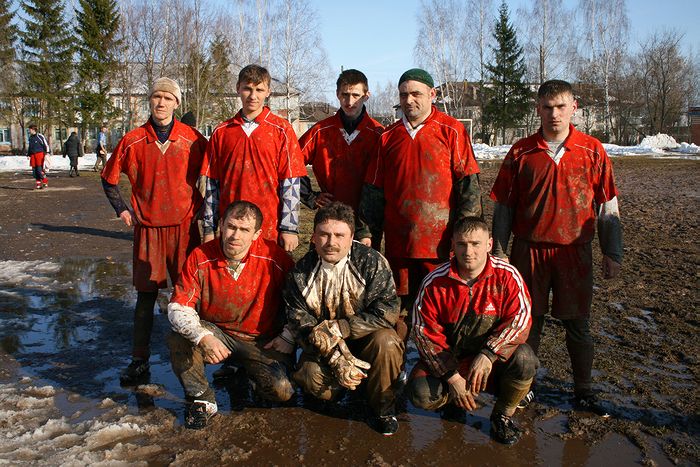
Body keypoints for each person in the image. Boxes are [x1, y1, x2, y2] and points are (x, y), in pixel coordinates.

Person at [490, 79, 623, 415]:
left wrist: (612, 251)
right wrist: (499, 251)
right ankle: (524, 385)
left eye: (561, 106)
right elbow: (504, 205)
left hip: (574, 252)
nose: (554, 114)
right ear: (538, 109)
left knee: (578, 323)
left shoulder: (592, 150)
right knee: (527, 321)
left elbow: (608, 205)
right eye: (547, 107)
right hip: (528, 251)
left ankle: (583, 389)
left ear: (573, 107)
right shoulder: (521, 151)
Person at [359, 68, 482, 340]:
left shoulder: (452, 130)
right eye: (404, 94)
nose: (409, 100)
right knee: (397, 310)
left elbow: (468, 188)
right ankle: (398, 366)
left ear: (432, 94)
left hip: (439, 243)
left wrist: (465, 235)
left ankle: (440, 369)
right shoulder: (387, 137)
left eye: (416, 93)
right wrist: (367, 234)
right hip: (399, 242)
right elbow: (373, 193)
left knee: (441, 307)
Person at [101, 77, 208, 385]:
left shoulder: (193, 139)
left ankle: (193, 363)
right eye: (156, 97)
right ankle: (139, 360)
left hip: (185, 230)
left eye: (167, 98)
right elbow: (108, 179)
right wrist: (122, 208)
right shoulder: (133, 140)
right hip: (148, 231)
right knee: (146, 297)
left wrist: (204, 210)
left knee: (188, 298)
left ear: (177, 103)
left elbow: (213, 176)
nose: (161, 102)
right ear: (150, 101)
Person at [167, 201, 295, 429]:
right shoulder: (200, 256)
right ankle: (202, 399)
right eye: (231, 227)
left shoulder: (275, 258)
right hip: (219, 335)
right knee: (180, 337)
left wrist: (287, 335)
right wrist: (202, 337)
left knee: (282, 391)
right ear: (221, 226)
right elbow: (179, 306)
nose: (235, 235)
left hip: (261, 341)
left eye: (244, 230)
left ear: (256, 234)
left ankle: (248, 370)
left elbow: (298, 302)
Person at [408, 217, 536, 445]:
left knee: (525, 359)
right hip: (453, 359)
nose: (469, 251)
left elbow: (520, 319)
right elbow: (423, 333)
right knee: (420, 392)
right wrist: (452, 377)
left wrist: (489, 353)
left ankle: (503, 415)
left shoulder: (507, 276)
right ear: (452, 246)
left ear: (489, 244)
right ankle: (452, 401)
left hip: (491, 361)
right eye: (462, 244)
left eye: (476, 244)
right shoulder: (435, 282)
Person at [284, 202, 404, 436]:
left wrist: (344, 327)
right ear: (314, 237)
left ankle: (383, 407)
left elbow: (388, 310)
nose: (331, 242)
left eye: (339, 235)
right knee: (310, 378)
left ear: (351, 238)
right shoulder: (300, 273)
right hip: (324, 347)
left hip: (367, 340)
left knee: (388, 343)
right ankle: (338, 391)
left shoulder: (371, 262)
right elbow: (299, 322)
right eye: (324, 234)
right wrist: (336, 357)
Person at [200, 64, 306, 253]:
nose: (253, 95)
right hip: (231, 226)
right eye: (247, 88)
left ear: (268, 92)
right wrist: (209, 228)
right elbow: (211, 185)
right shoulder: (221, 132)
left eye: (259, 89)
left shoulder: (282, 130)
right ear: (238, 88)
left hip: (268, 224)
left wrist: (289, 227)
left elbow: (290, 182)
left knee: (268, 278)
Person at [298, 69, 383, 247]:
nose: (350, 102)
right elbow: (290, 164)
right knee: (325, 269)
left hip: (366, 221)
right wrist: (311, 196)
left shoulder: (378, 134)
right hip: (329, 217)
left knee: (363, 272)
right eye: (345, 95)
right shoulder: (320, 131)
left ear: (367, 95)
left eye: (356, 95)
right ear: (337, 94)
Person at [26, 124, 50, 189]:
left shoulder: (40, 136)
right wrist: (28, 154)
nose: (29, 131)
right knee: (34, 171)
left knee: (39, 170)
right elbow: (30, 147)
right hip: (33, 155)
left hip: (40, 155)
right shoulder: (30, 138)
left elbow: (45, 144)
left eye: (30, 130)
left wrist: (47, 152)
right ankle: (38, 184)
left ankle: (45, 181)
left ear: (33, 129)